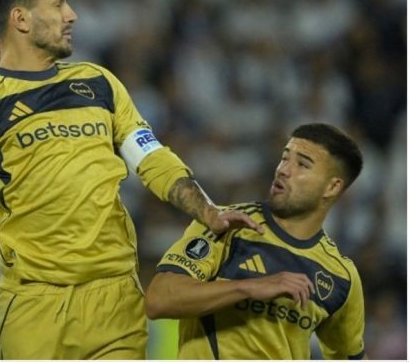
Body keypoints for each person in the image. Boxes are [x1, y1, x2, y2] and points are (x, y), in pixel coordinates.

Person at [0, 0, 262, 359]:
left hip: (116, 301)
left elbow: (151, 157)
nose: (71, 15)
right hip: (35, 308)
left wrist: (207, 210)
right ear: (20, 19)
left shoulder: (99, 83)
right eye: (57, 3)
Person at [144, 123, 367, 359]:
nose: (283, 170)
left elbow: (349, 354)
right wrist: (249, 287)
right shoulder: (226, 225)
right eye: (284, 158)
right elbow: (160, 299)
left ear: (332, 186)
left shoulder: (341, 276)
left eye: (302, 164)